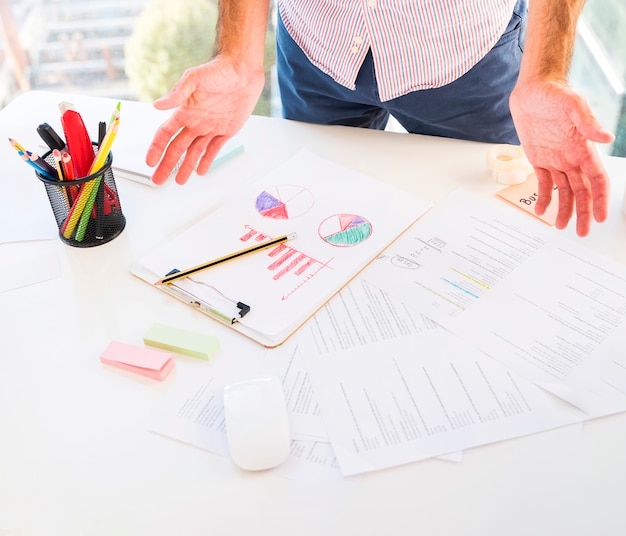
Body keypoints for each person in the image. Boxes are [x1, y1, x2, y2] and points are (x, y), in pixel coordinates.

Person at [145, 0, 615, 238]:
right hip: (316, 46)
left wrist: (544, 72)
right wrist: (238, 53)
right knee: (313, 218)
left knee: (481, 226)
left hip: (465, 54)